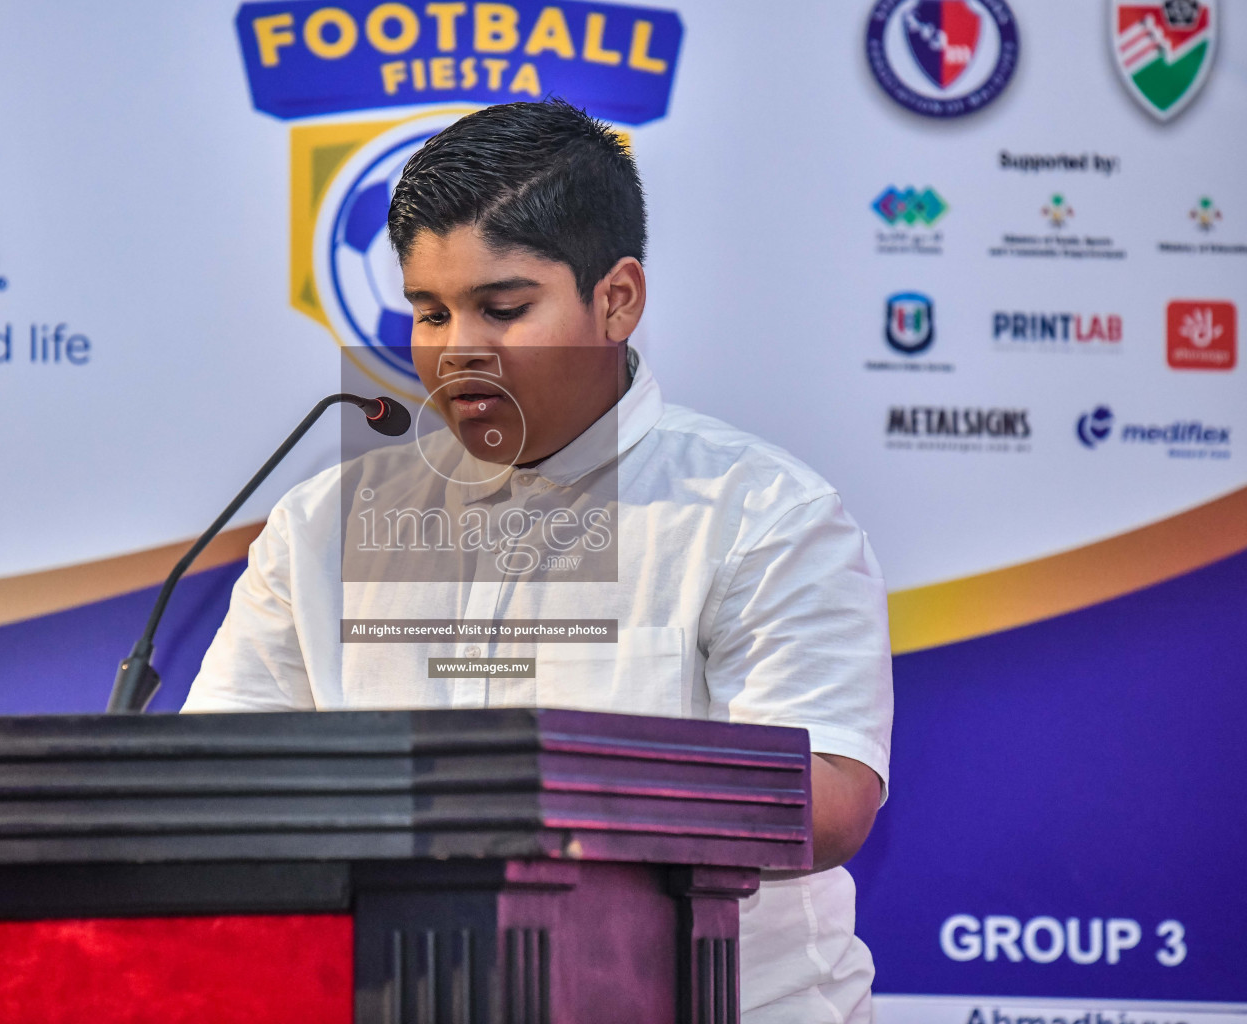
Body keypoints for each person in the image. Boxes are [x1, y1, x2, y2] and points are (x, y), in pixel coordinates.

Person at [184, 99, 893, 1023]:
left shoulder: (762, 514)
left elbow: (831, 798)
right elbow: (212, 774)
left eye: (503, 308)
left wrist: (543, 787)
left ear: (617, 299)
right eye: (429, 312)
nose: (457, 350)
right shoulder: (326, 522)